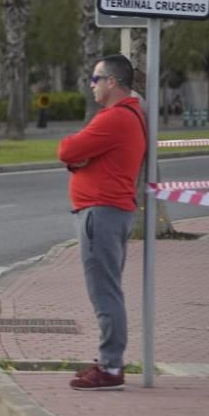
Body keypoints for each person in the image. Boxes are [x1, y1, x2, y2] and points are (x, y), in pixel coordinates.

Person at [58, 54, 145, 391]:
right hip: (111, 211)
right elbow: (81, 155)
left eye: (96, 79)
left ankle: (110, 367)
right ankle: (108, 360)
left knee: (104, 293)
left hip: (102, 213)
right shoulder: (130, 115)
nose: (91, 85)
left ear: (112, 82)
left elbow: (67, 149)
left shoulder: (113, 119)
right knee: (108, 290)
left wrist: (78, 157)